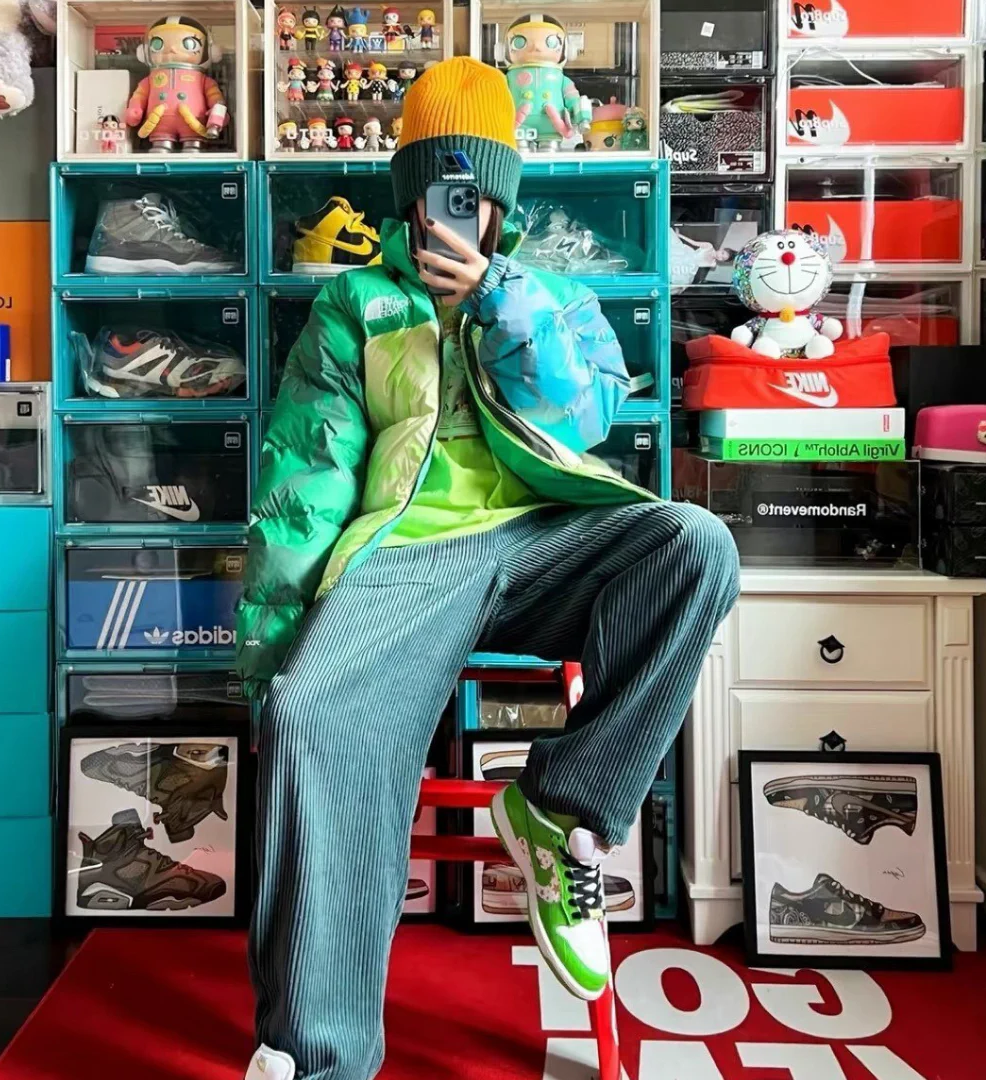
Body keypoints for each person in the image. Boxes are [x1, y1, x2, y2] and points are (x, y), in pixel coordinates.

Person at [239, 57, 740, 1080]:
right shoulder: (354, 305)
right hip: (408, 554)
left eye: (474, 194)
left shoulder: (552, 294)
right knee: (306, 714)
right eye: (438, 191)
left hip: (549, 540)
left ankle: (562, 810)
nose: (455, 214)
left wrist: (500, 301)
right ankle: (319, 1055)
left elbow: (586, 418)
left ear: (504, 201)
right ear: (408, 198)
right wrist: (273, 652)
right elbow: (307, 479)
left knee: (696, 543)